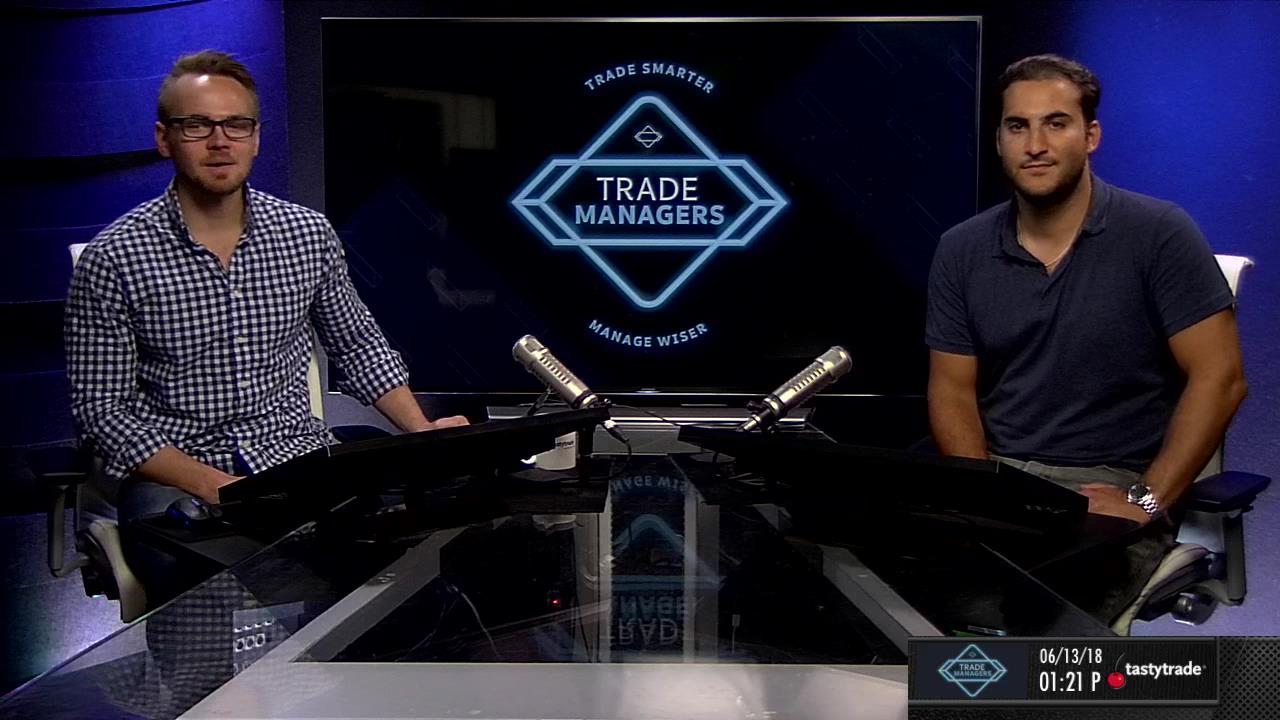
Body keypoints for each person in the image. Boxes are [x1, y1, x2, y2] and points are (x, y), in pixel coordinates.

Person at [64, 50, 467, 602]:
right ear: (164, 139)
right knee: (209, 599)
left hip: (297, 460)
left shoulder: (306, 234)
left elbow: (358, 345)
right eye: (197, 125)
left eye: (236, 124)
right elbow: (102, 413)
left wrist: (421, 433)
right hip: (178, 477)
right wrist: (218, 487)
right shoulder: (113, 258)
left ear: (255, 138)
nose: (219, 141)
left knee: (413, 571)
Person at [925, 55, 1247, 627]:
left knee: (1025, 616)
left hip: (1112, 484)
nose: (1035, 145)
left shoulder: (1159, 233)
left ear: (1090, 135)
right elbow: (952, 390)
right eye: (1017, 126)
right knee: (874, 585)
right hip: (1001, 480)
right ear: (999, 140)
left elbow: (1221, 379)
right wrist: (980, 495)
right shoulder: (961, 248)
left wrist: (1146, 501)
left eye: (1056, 123)